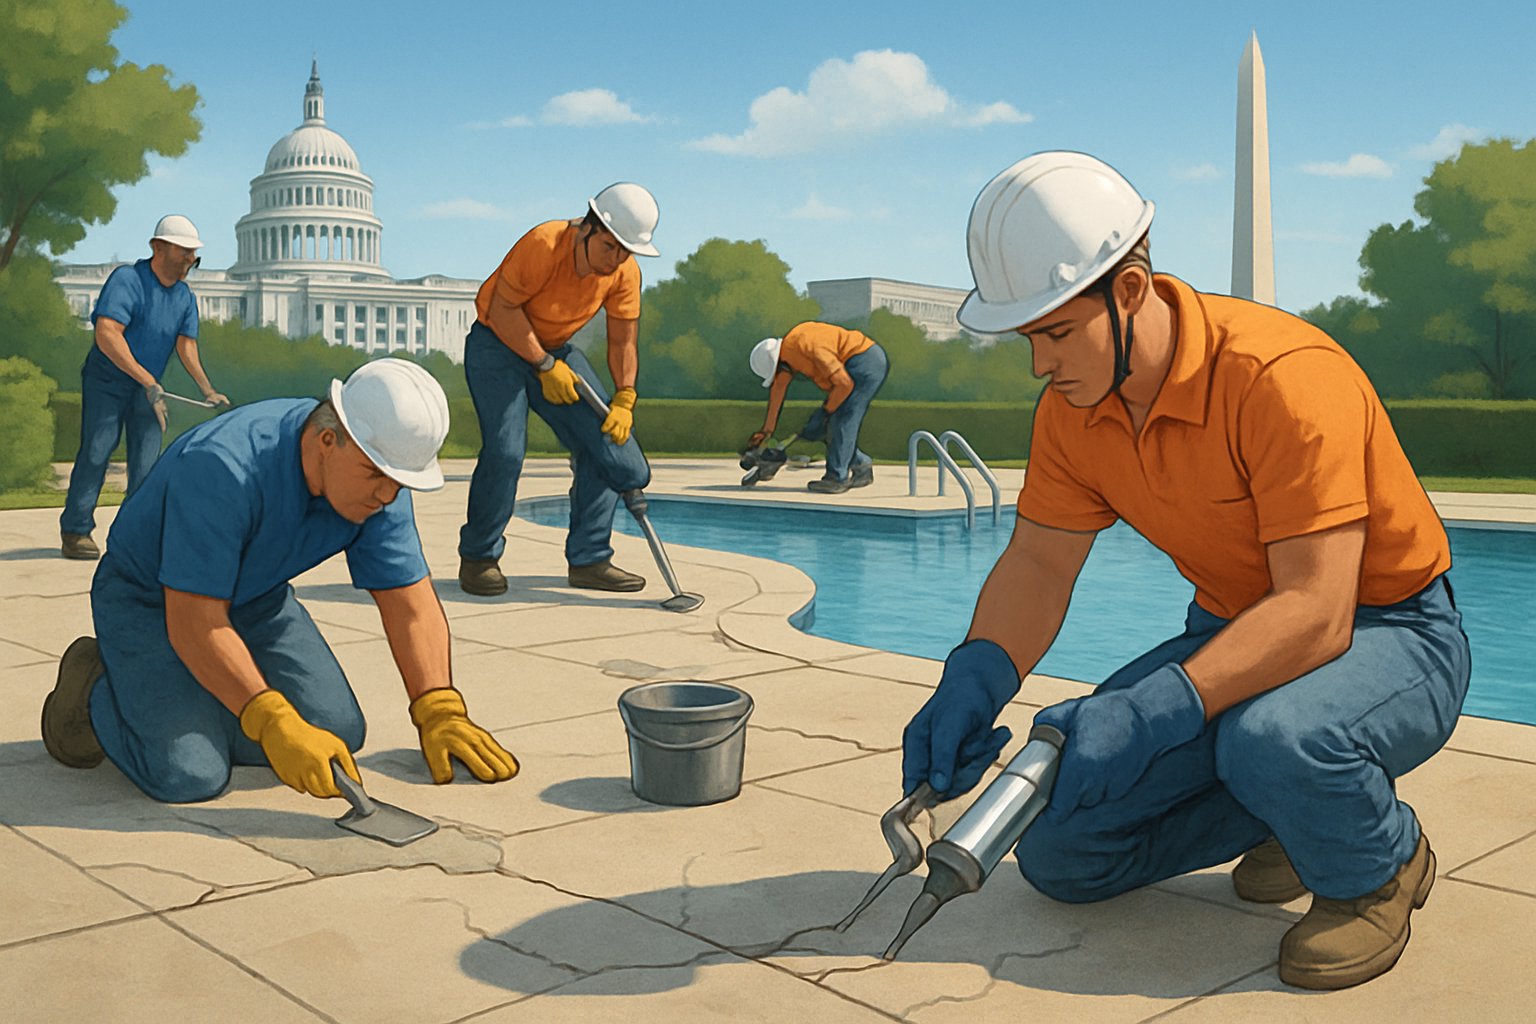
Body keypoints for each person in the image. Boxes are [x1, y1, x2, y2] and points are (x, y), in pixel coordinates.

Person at [900, 152, 1470, 990]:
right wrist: (977, 673)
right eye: (1031, 338)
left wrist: (1155, 709)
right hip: (1235, 633)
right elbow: (1040, 563)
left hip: (1391, 629)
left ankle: (1379, 866)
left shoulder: (1282, 377)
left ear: (1128, 291)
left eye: (1056, 332)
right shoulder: (1074, 409)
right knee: (1060, 849)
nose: (1040, 365)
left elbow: (1318, 611)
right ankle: (1291, 810)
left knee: (1275, 736)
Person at [41, 359, 519, 803]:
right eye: (378, 474)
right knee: (191, 774)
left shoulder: (378, 487)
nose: (389, 494)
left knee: (336, 731)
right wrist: (269, 718)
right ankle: (97, 687)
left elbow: (409, 603)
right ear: (329, 440)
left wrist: (438, 707)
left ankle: (192, 698)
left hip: (254, 599)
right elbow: (193, 619)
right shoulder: (224, 467)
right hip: (148, 600)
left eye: (400, 480)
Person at [458, 183, 661, 597]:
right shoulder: (544, 244)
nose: (616, 259)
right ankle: (479, 557)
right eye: (609, 246)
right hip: (496, 344)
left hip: (553, 349)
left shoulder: (623, 273)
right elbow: (502, 309)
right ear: (588, 228)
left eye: (626, 251)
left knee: (605, 443)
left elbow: (623, 341)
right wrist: (544, 366)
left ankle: (589, 559)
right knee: (506, 450)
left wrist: (624, 398)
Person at [59, 214, 229, 561]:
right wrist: (148, 380)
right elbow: (108, 334)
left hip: (149, 388)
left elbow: (187, 347)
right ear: (157, 247)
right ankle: (76, 530)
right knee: (96, 451)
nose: (189, 261)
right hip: (108, 382)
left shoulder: (183, 296)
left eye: (193, 254)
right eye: (183, 252)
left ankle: (134, 537)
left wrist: (206, 390)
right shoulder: (128, 280)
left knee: (147, 464)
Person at [745, 322, 888, 493]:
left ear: (779, 362)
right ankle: (861, 466)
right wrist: (766, 432)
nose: (782, 376)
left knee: (842, 418)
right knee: (827, 426)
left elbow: (844, 384)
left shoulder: (808, 346)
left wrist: (825, 412)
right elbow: (778, 389)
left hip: (865, 361)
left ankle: (837, 478)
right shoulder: (789, 354)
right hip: (854, 363)